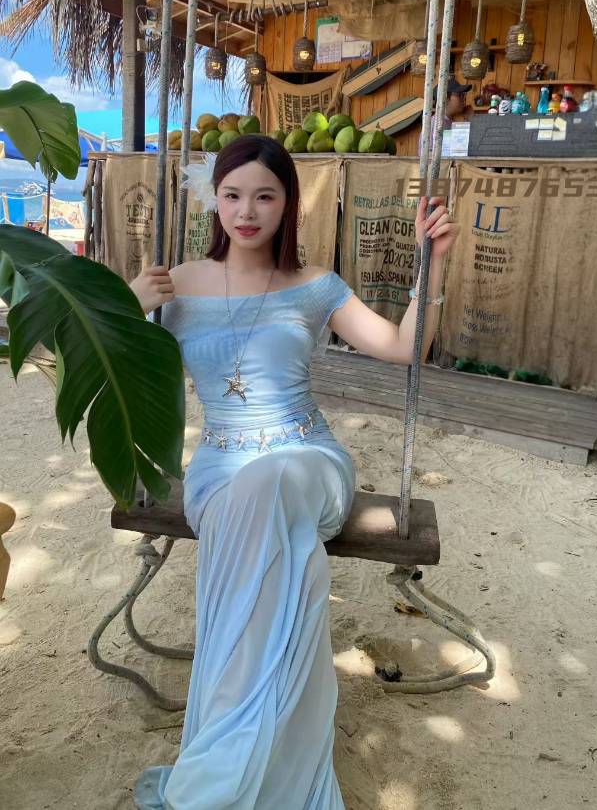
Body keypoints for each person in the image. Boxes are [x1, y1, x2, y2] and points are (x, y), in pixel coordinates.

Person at [128, 134, 459, 809]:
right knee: (268, 524)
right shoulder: (177, 283)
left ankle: (229, 760)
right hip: (221, 468)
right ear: (214, 201)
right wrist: (130, 303)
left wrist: (435, 269)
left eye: (264, 196)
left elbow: (402, 347)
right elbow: (100, 359)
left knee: (272, 480)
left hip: (308, 460)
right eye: (232, 195)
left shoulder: (315, 287)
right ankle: (254, 748)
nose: (246, 211)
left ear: (288, 205)